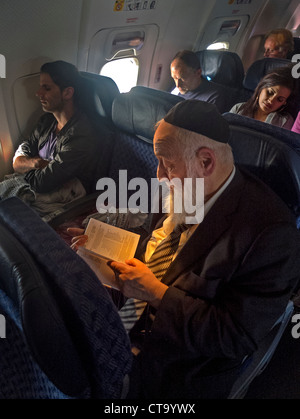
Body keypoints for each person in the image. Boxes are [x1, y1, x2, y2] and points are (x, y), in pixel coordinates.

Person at [69, 99, 300, 399]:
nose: (159, 175)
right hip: (131, 316)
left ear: (206, 162)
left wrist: (156, 294)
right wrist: (103, 246)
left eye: (167, 163)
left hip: (180, 366)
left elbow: (235, 338)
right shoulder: (188, 186)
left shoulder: (271, 236)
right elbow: (162, 249)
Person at [0, 60, 101, 217]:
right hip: (38, 184)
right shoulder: (47, 120)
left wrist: (23, 165)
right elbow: (21, 153)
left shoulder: (81, 134)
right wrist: (37, 163)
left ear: (67, 93)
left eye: (46, 88)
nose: (38, 93)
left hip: (64, 194)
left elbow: (42, 183)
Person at [229, 66, 296, 129]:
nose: (271, 101)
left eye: (280, 99)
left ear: (284, 103)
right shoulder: (239, 108)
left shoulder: (285, 121)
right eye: (270, 93)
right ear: (260, 89)